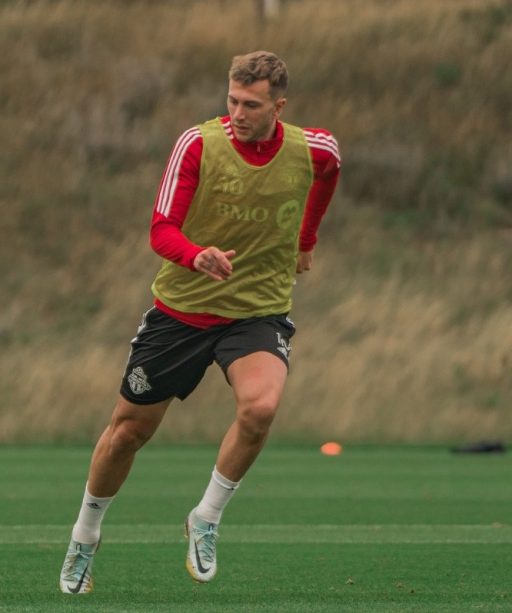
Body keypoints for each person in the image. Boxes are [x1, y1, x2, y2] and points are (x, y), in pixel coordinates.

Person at [59, 51, 340, 594]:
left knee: (260, 408)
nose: (238, 112)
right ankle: (84, 538)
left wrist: (307, 239)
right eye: (232, 100)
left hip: (257, 311)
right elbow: (160, 230)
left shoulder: (314, 149)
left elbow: (328, 176)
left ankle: (205, 518)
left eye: (252, 105)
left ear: (278, 107)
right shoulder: (198, 144)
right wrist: (195, 255)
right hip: (182, 311)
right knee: (128, 433)